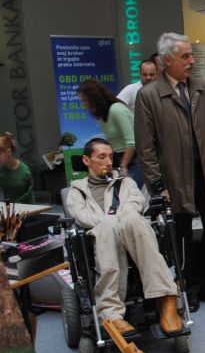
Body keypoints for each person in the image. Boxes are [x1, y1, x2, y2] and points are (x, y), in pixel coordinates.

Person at [135, 32, 205, 312]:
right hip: (174, 179)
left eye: (191, 55)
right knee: (181, 237)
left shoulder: (204, 89)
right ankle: (189, 287)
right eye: (185, 56)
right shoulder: (149, 95)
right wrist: (157, 184)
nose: (192, 61)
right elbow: (146, 147)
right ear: (168, 60)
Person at [65, 138, 181, 335]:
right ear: (86, 160)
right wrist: (109, 222)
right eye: (102, 157)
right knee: (108, 226)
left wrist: (119, 220)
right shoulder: (77, 191)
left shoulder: (126, 183)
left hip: (130, 231)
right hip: (100, 237)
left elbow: (136, 202)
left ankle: (166, 299)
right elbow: (80, 215)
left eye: (111, 157)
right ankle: (111, 313)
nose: (109, 162)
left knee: (133, 219)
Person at [77, 78, 144, 189]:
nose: (84, 104)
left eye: (84, 100)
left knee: (129, 194)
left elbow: (131, 142)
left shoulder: (116, 110)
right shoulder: (102, 115)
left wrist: (123, 165)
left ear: (93, 98)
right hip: (118, 160)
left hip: (133, 161)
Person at [0, 132, 35, 203]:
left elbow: (29, 193)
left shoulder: (24, 170)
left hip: (27, 207)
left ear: (8, 152)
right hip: (9, 206)